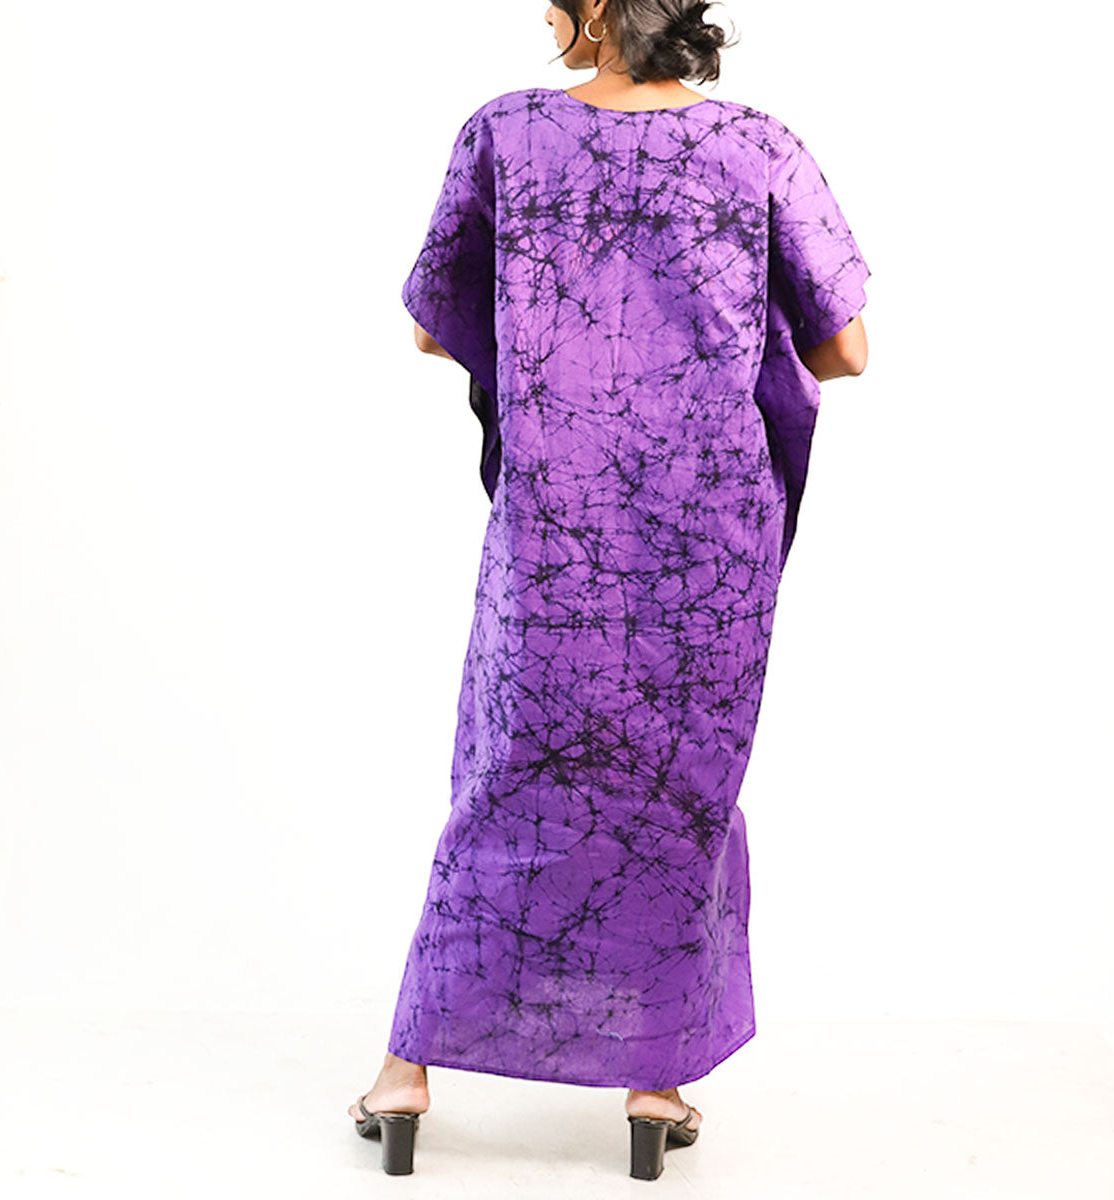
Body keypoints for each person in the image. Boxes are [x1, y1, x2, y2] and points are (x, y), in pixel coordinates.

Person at [350, 0, 870, 1179]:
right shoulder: (760, 147)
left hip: (557, 525)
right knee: (680, 790)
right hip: (708, 539)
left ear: (592, 8)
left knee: (504, 778)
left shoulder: (505, 133)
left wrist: (562, 348)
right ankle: (653, 1084)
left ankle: (406, 1075)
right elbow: (846, 348)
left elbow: (435, 327)